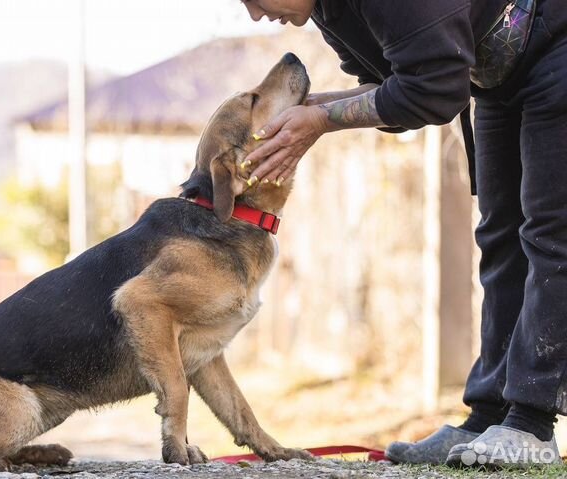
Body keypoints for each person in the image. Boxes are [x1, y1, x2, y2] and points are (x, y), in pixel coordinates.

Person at [238, 0, 567, 467]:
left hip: (554, 43)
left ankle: (531, 425)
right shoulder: (328, 10)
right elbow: (390, 88)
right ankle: (489, 414)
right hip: (496, 78)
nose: (254, 14)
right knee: (500, 238)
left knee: (552, 237)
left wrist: (320, 123)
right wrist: (311, 111)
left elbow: (433, 91)